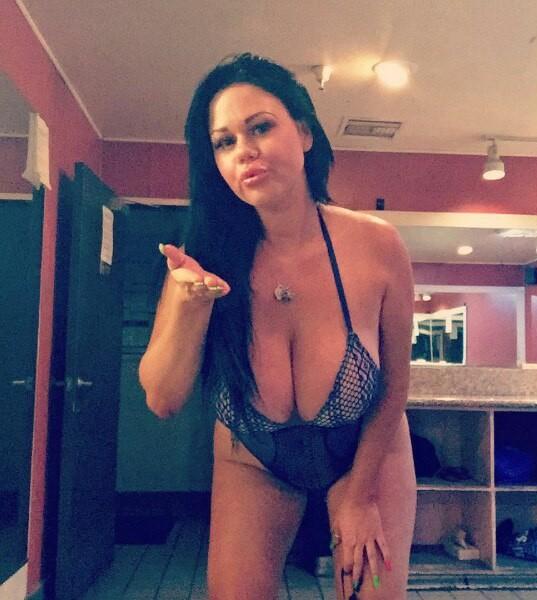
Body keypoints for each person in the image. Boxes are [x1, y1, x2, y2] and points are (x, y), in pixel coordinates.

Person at [139, 52, 416, 600]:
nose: (244, 150)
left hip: (367, 455)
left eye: (260, 127)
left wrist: (360, 498)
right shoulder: (201, 259)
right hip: (253, 461)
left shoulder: (377, 245)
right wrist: (189, 305)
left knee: (375, 592)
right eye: (224, 142)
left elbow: (394, 385)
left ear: (305, 133)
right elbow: (162, 400)